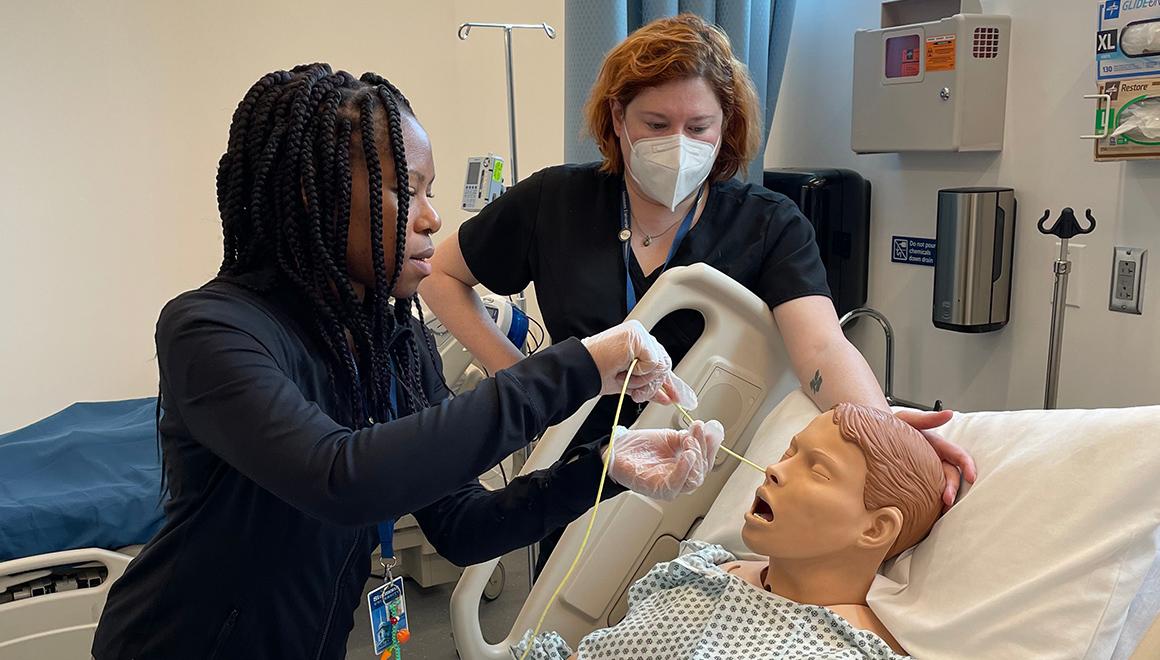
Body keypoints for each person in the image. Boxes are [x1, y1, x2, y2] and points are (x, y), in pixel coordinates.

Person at [90, 64, 725, 660]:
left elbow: (462, 527)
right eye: (408, 190)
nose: (432, 217)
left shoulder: (398, 347)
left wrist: (605, 471)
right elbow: (341, 478)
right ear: (319, 197)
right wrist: (577, 366)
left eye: (432, 190)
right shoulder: (211, 329)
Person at [421, 13, 975, 574]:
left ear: (725, 125)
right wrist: (522, 384)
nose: (677, 144)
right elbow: (440, 277)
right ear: (617, 116)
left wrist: (881, 431)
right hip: (580, 474)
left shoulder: (768, 225)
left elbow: (824, 350)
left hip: (710, 478)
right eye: (656, 123)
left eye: (698, 127)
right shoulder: (553, 201)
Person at [515, 403, 945, 659]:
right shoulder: (703, 570)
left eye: (818, 471)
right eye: (789, 452)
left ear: (876, 528)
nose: (775, 469)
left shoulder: (847, 647)